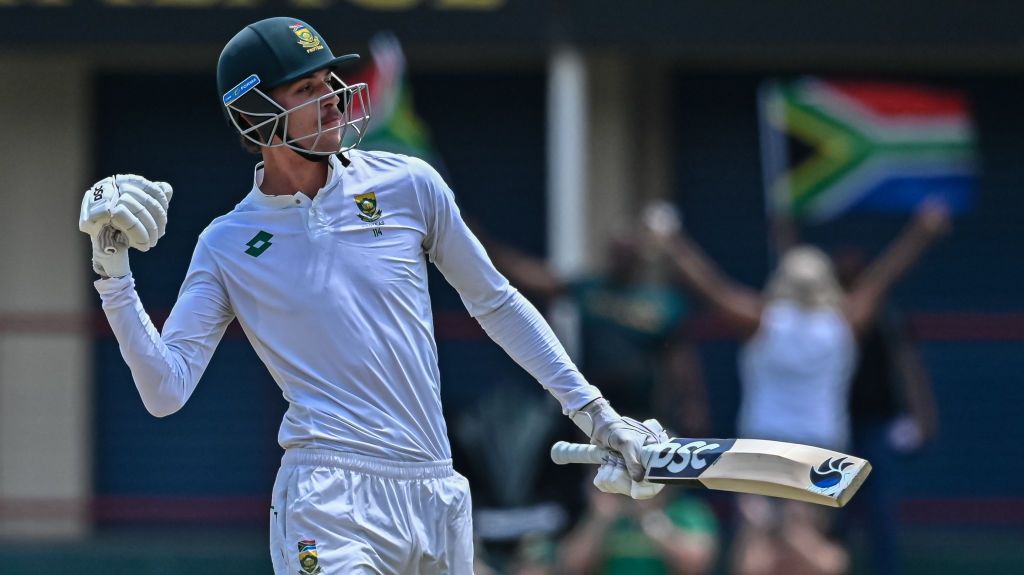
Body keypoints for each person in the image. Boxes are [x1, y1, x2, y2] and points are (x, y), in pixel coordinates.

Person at [77, 17, 669, 575]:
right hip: (327, 495)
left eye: (329, 79)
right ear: (255, 112)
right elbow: (165, 390)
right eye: (306, 87)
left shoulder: (409, 184)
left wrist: (596, 415)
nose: (333, 94)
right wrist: (114, 278)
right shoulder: (227, 243)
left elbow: (497, 303)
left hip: (435, 486)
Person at [642, 200, 950, 575]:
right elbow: (882, 277)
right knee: (808, 542)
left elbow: (711, 286)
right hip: (820, 448)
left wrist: (672, 240)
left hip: (762, 445)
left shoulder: (761, 320)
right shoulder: (844, 323)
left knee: (756, 540)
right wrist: (922, 233)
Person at [558, 485, 719, 575]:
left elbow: (697, 565)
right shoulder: (609, 512)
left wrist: (652, 522)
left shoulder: (687, 511)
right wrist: (599, 521)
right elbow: (571, 566)